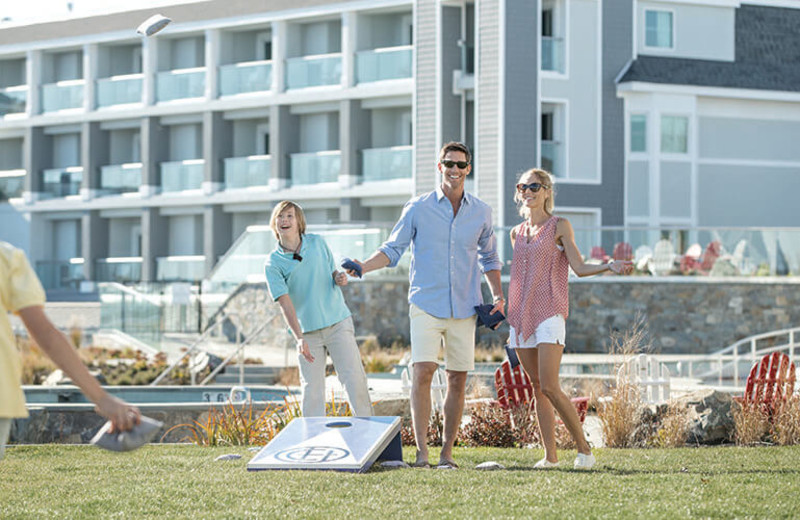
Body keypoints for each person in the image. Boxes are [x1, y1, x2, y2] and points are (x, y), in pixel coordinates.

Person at [347, 142, 504, 468]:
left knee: (458, 379)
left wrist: (498, 297)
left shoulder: (482, 212)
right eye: (449, 163)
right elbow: (393, 249)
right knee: (422, 373)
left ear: (468, 169)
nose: (455, 170)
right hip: (425, 304)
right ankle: (422, 454)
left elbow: (490, 258)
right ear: (439, 166)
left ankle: (446, 454)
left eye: (461, 165)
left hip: (466, 306)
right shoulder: (417, 207)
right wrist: (362, 266)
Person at [507, 168, 633, 470]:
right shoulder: (516, 233)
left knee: (550, 385)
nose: (529, 191)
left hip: (549, 313)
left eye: (535, 186)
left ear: (547, 191)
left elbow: (577, 266)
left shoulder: (559, 226)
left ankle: (585, 450)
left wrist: (609, 266)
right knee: (537, 386)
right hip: (521, 317)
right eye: (523, 186)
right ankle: (550, 457)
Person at [1, 241, 140, 461]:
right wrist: (101, 398)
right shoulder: (6, 257)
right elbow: (46, 335)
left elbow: (47, 336)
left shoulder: (7, 258)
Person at [264, 200, 372, 418]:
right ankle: (313, 442)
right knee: (312, 390)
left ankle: (370, 436)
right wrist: (299, 338)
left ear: (299, 221)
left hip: (337, 323)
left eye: (289, 216)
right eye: (280, 216)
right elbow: (285, 303)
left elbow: (332, 272)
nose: (284, 220)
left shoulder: (318, 243)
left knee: (355, 381)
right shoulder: (273, 263)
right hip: (308, 335)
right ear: (274, 223)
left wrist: (339, 278)